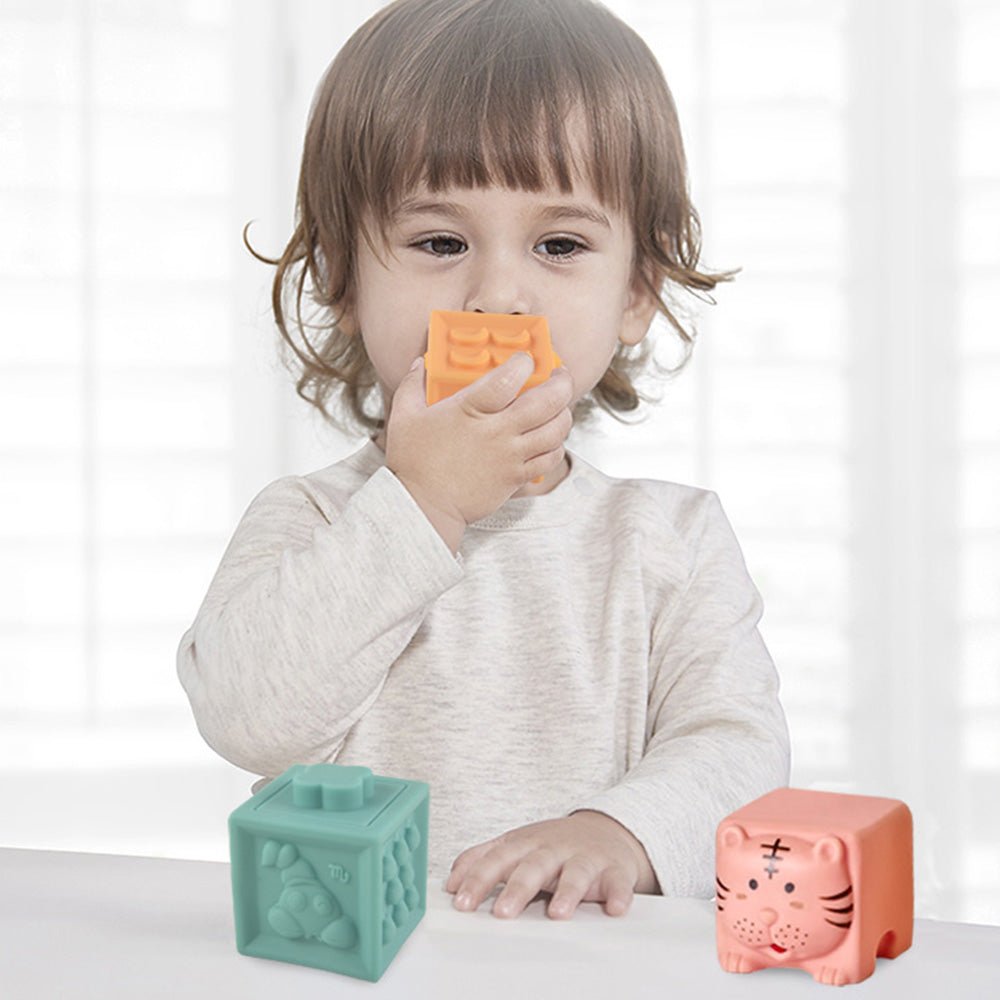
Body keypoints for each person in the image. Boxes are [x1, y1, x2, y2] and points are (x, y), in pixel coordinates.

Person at [177, 0, 790, 922]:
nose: (499, 295)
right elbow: (247, 720)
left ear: (635, 294)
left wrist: (617, 832)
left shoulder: (673, 540)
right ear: (343, 280)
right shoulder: (312, 521)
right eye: (439, 242)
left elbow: (740, 751)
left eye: (560, 244)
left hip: (591, 973)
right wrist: (421, 499)